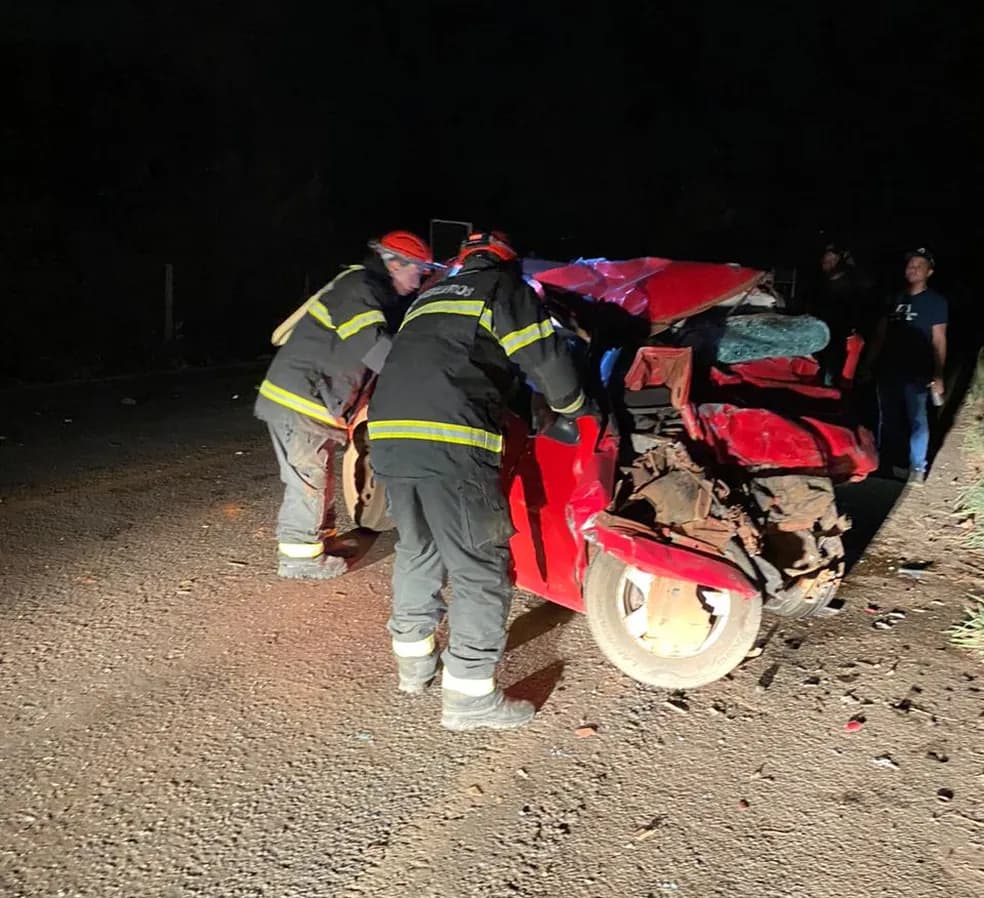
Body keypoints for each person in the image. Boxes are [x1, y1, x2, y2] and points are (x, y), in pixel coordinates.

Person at [366, 231, 595, 731]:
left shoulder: (429, 298)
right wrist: (579, 410)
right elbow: (544, 359)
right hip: (450, 440)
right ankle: (469, 696)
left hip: (388, 437)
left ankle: (414, 668)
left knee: (418, 548)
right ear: (508, 265)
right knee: (480, 567)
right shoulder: (501, 290)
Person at [255, 230, 435, 578]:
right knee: (308, 478)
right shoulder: (359, 288)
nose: (420, 278)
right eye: (418, 270)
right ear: (395, 264)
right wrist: (421, 380)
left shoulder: (369, 290)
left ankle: (320, 540)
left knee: (317, 474)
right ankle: (300, 560)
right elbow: (373, 346)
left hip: (312, 402)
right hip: (302, 402)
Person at [859, 247, 948, 485]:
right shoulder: (894, 298)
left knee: (918, 418)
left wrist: (939, 374)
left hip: (918, 370)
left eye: (919, 265)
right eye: (910, 265)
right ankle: (885, 462)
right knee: (887, 418)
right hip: (889, 368)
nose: (913, 269)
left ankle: (917, 467)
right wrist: (869, 363)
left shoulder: (936, 302)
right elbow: (880, 334)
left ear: (929, 271)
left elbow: (939, 339)